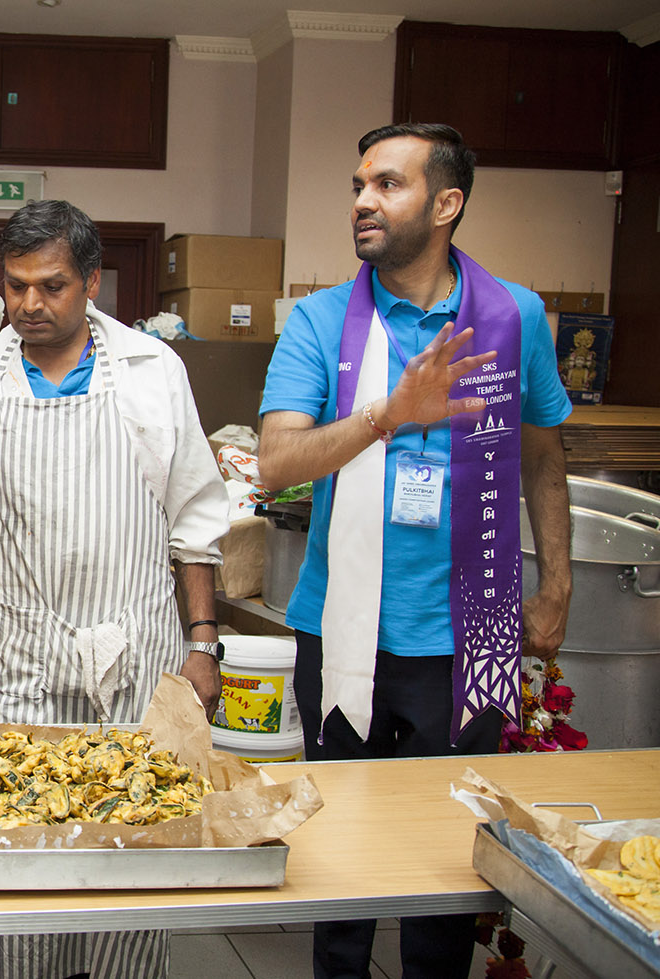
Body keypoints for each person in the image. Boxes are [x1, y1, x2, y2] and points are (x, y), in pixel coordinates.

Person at [255, 123, 572, 979]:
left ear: (446, 202)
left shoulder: (516, 316)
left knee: (446, 860)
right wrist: (389, 413)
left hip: (471, 635)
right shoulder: (321, 320)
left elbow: (543, 452)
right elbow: (278, 462)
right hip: (343, 630)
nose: (362, 200)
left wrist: (557, 584)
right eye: (358, 184)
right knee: (337, 858)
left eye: (387, 185)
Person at [0, 199, 228, 979]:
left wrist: (202, 644)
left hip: (132, 656)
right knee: (12, 856)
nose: (29, 304)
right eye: (15, 285)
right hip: (14, 654)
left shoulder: (154, 373)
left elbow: (192, 520)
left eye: (51, 286)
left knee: (125, 853)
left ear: (92, 281)